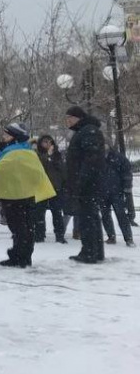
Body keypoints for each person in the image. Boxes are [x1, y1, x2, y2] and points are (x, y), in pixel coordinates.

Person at [0, 124, 53, 269]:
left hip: (13, 196)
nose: (3, 137)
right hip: (27, 195)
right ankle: (23, 255)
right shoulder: (28, 151)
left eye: (7, 135)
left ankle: (20, 257)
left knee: (19, 228)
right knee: (26, 227)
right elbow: (37, 173)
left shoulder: (12, 153)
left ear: (14, 137)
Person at [64, 107, 106, 263]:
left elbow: (91, 159)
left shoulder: (88, 131)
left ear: (79, 118)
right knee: (91, 217)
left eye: (70, 117)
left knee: (87, 218)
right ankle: (95, 252)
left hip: (87, 184)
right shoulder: (86, 131)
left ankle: (89, 252)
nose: (67, 120)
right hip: (88, 182)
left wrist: (81, 181)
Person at [99, 146, 135, 247]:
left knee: (121, 215)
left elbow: (127, 172)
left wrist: (127, 186)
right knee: (106, 215)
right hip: (104, 192)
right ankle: (111, 236)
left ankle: (128, 238)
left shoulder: (118, 158)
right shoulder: (97, 158)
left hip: (116, 191)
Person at [34, 135, 66, 244]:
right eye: (44, 142)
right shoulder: (37, 154)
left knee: (57, 212)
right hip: (41, 187)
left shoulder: (57, 154)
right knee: (39, 212)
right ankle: (39, 234)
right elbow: (39, 165)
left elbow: (62, 169)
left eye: (49, 142)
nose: (47, 144)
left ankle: (59, 235)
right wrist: (47, 155)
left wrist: (52, 157)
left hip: (55, 187)